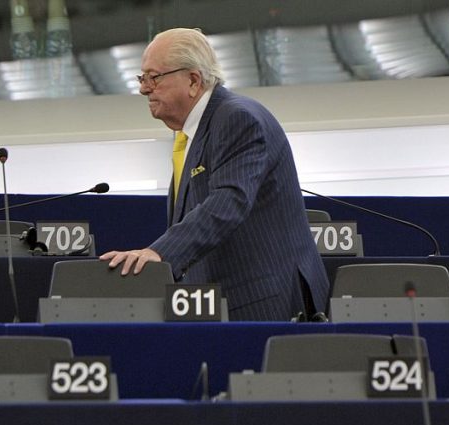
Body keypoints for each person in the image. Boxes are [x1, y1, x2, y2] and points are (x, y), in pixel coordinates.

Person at [100, 28, 329, 321]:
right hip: (225, 304)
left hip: (265, 302)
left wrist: (159, 253)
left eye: (154, 77)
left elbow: (229, 200)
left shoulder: (237, 119)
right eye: (142, 78)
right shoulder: (194, 132)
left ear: (193, 80)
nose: (144, 88)